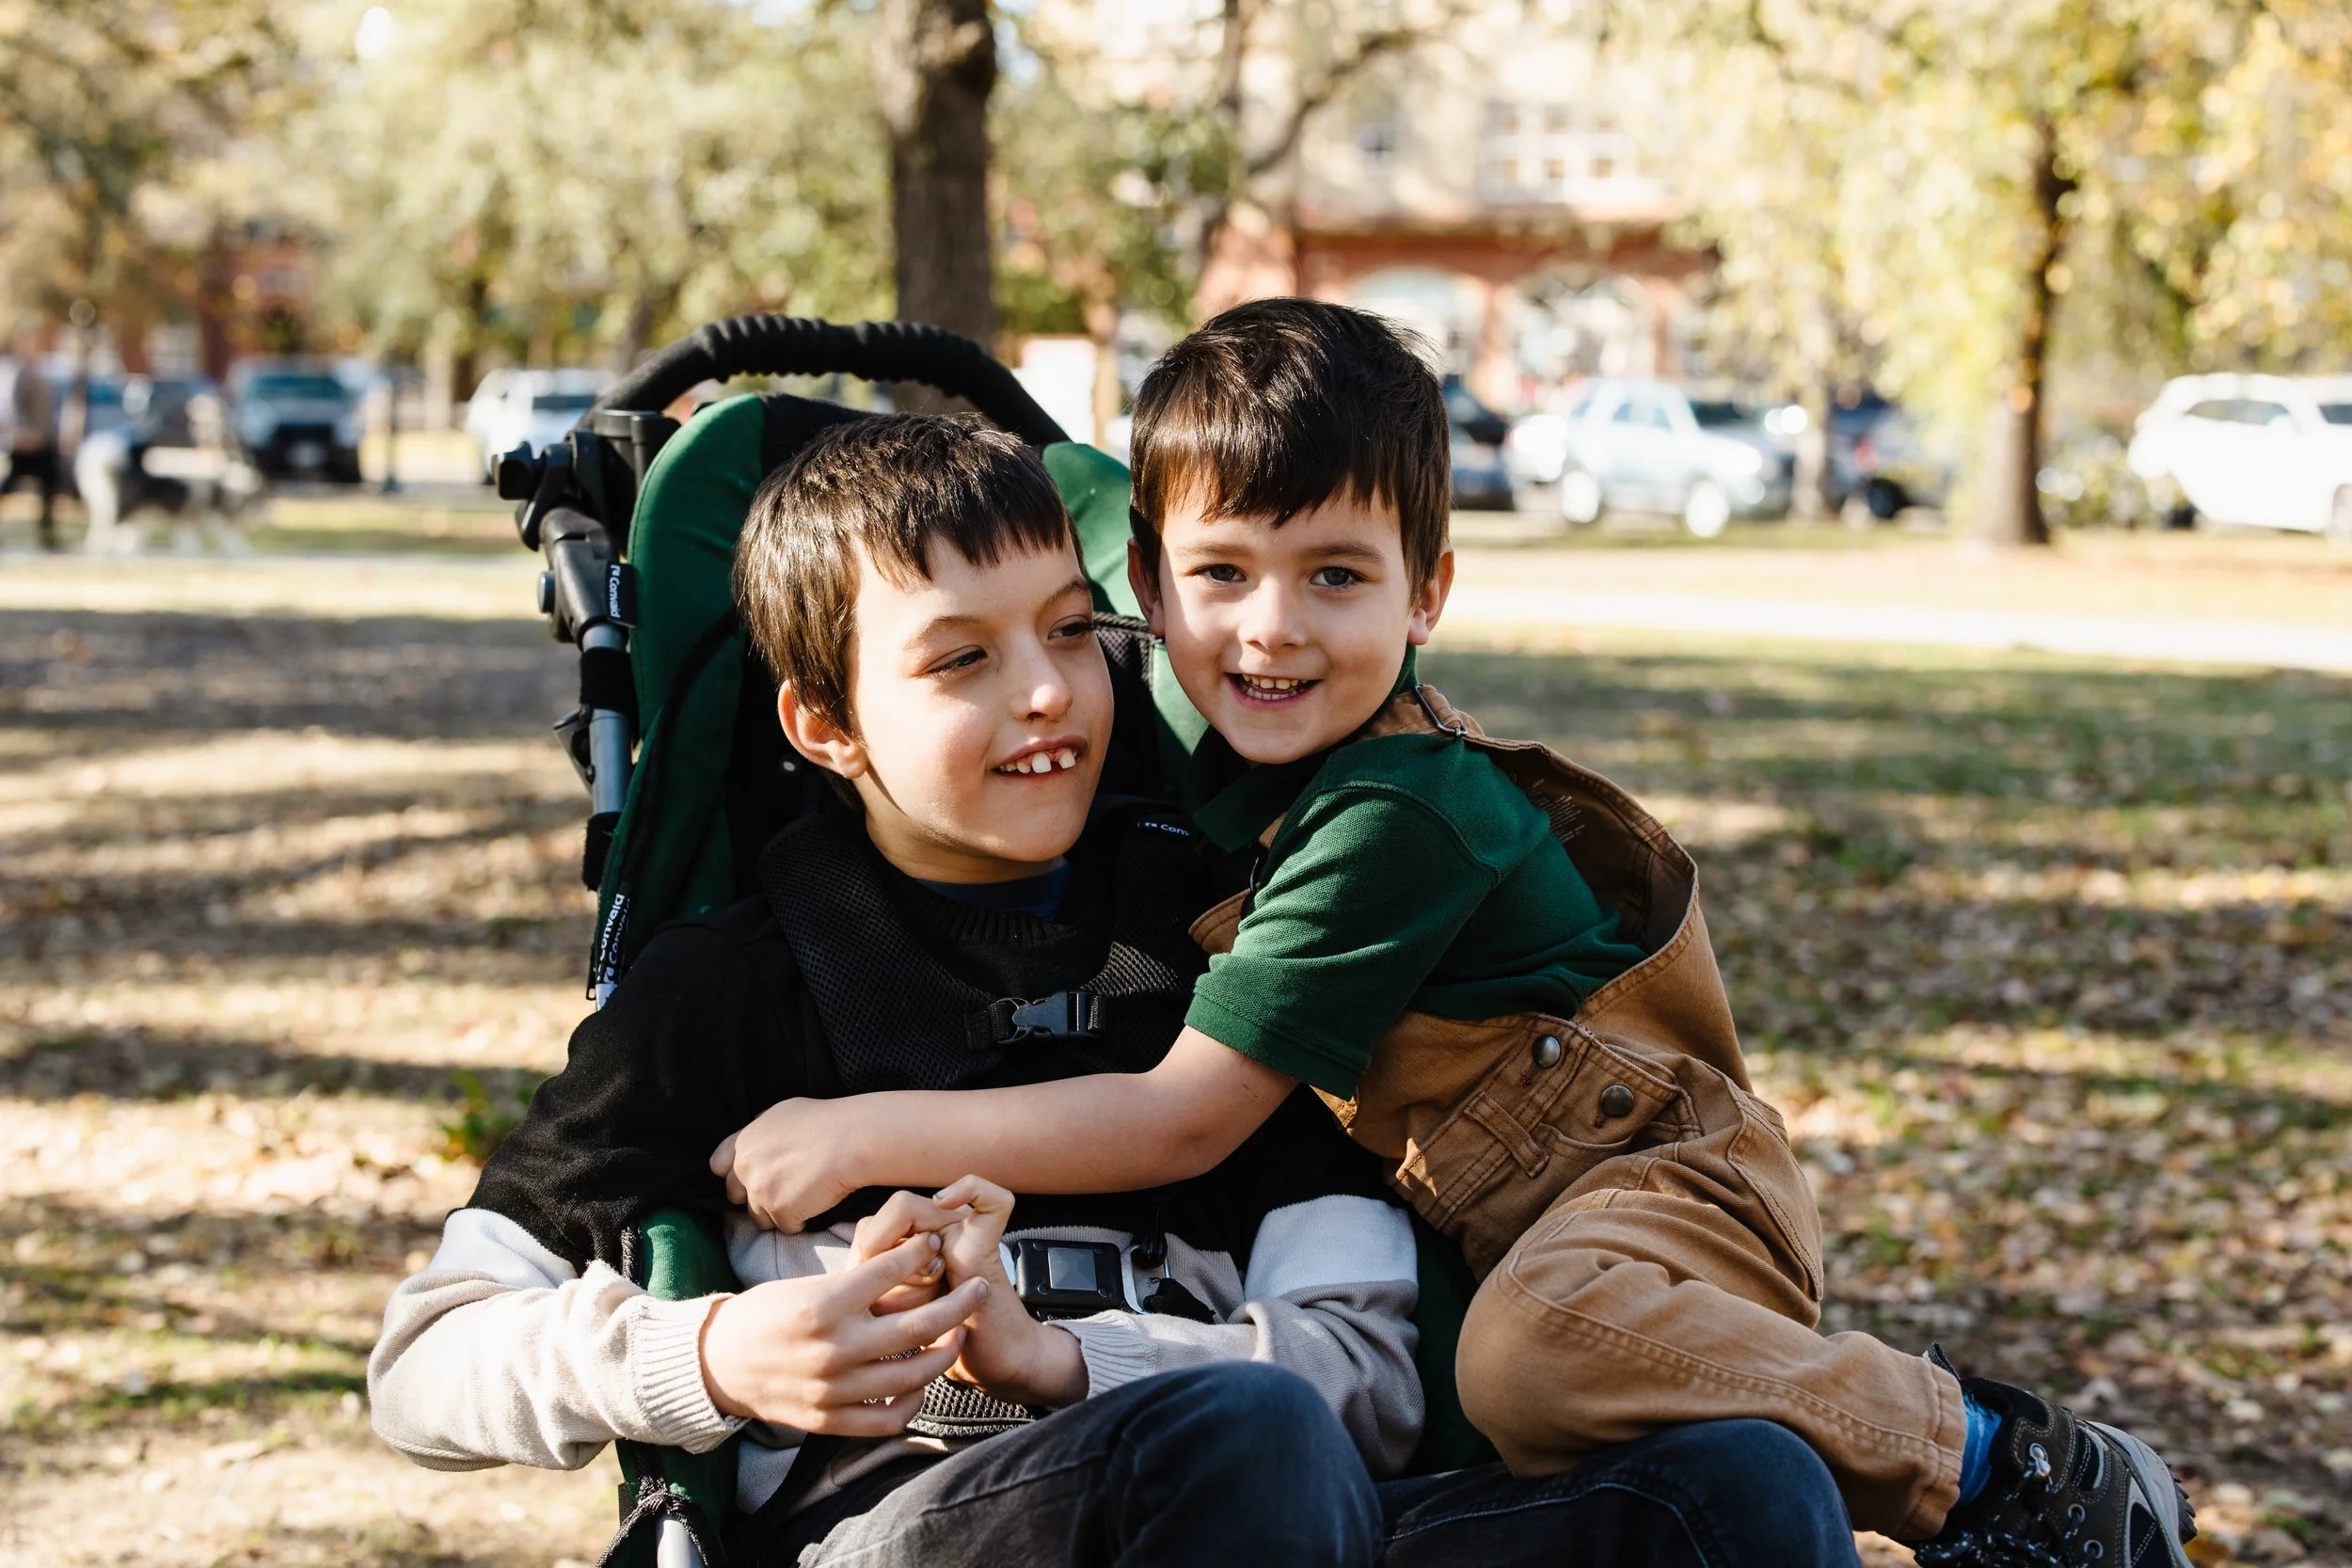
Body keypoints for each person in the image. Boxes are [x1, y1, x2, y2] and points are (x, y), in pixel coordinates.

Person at [714, 303, 2199, 1568]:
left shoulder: (1392, 814)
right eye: (1220, 574)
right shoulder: (1186, 659)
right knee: (1513, 1366)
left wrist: (858, 1134)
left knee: (1530, 1356)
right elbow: (1086, 498)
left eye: (1339, 577)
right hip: (1510, 1211)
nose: (1271, 629)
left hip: (1648, 1170)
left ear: (1429, 590)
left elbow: (1180, 1122)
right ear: (1147, 591)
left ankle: (1996, 1456)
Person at [2, 351, 60, 549]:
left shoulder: (44, 370)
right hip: (24, 441)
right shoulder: (17, 372)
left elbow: (47, 409)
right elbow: (12, 407)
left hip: (43, 441)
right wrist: (21, 434)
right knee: (7, 487)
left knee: (48, 488)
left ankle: (47, 534)